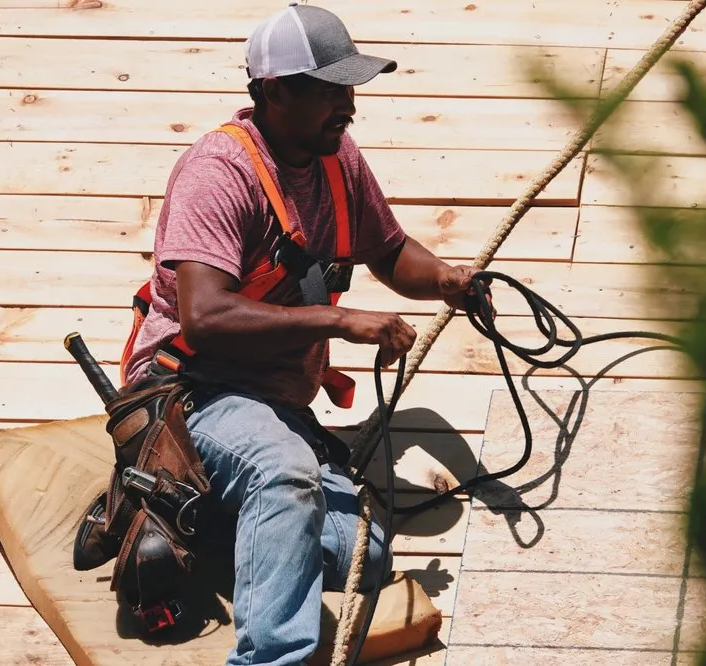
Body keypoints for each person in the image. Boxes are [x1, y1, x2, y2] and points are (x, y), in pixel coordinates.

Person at [122, 3, 487, 664]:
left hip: (275, 401)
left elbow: (390, 249)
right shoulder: (218, 173)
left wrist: (446, 281)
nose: (348, 104)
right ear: (275, 91)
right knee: (281, 472)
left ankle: (195, 511)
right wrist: (340, 320)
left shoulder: (336, 155)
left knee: (362, 555)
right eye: (329, 89)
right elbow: (207, 315)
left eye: (349, 87)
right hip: (190, 392)